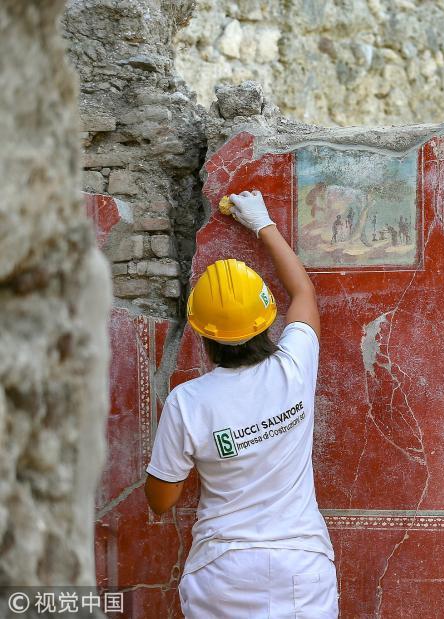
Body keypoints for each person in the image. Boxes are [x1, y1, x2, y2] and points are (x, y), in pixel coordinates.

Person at [144, 190, 338, 618]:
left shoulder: (187, 402)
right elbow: (302, 292)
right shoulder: (294, 368)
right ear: (267, 321)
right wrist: (261, 222)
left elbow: (161, 500)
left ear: (202, 333)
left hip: (222, 572)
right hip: (301, 570)